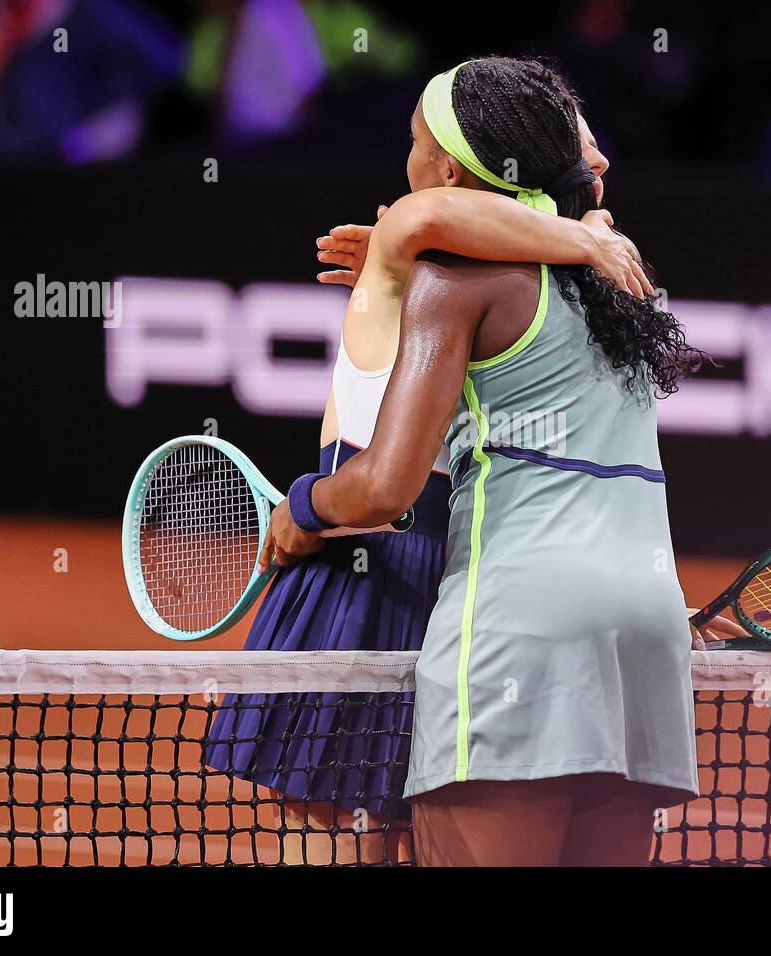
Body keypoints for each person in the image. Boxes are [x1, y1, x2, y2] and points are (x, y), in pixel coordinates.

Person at [264, 56, 738, 866]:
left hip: (507, 622)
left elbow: (385, 485)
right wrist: (586, 236)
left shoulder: (455, 281)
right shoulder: (626, 289)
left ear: (446, 167)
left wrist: (303, 507)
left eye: (414, 141)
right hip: (647, 629)